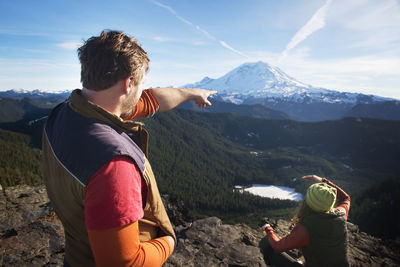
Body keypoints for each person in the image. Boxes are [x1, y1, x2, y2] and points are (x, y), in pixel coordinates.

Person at [42, 30, 217, 267]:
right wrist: (169, 240)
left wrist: (190, 93)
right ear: (128, 83)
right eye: (141, 82)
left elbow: (149, 100)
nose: (142, 90)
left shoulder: (65, 114)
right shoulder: (113, 165)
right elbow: (125, 263)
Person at [259, 175, 351, 267]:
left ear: (308, 202)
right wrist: (324, 181)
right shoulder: (341, 214)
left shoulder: (306, 227)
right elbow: (345, 198)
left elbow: (277, 246)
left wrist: (268, 228)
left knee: (268, 243)